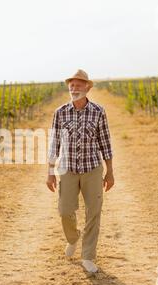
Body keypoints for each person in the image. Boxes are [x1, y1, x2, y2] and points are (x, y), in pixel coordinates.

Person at [46, 69, 115, 273]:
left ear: (87, 87)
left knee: (94, 212)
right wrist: (50, 172)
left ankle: (88, 256)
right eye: (71, 85)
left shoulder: (98, 111)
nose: (74, 88)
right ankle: (73, 238)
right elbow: (54, 144)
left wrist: (109, 171)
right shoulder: (60, 112)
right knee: (65, 211)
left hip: (92, 168)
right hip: (67, 169)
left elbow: (106, 143)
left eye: (78, 85)